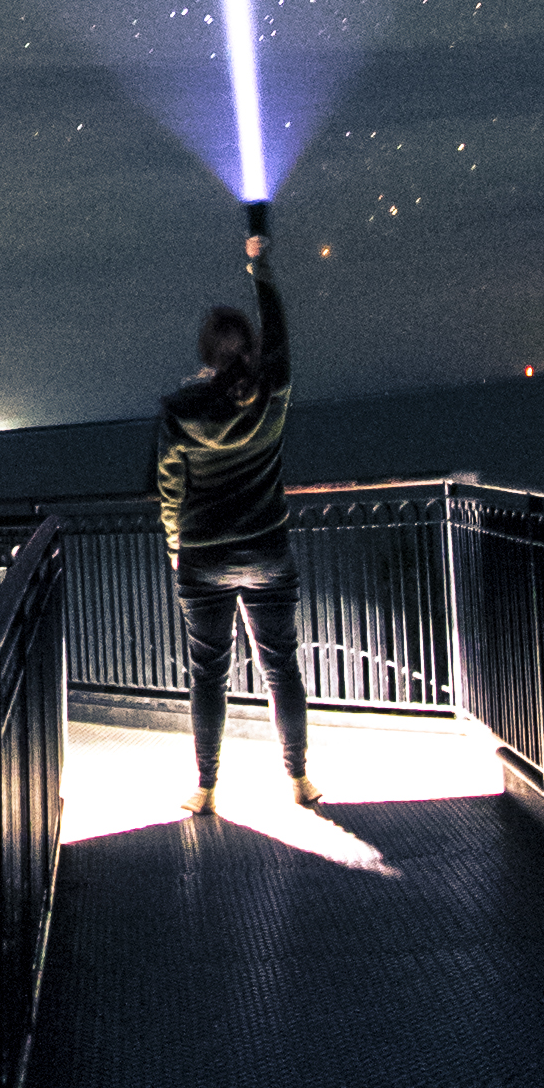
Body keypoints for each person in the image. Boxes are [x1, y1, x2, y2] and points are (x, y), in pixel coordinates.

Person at [154, 200, 314, 820]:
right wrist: (260, 268)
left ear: (204, 353)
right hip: (269, 551)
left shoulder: (179, 410)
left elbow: (170, 491)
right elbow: (279, 337)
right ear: (247, 350)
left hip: (202, 558)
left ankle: (206, 788)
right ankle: (299, 780)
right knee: (282, 668)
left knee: (208, 675)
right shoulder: (274, 390)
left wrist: (176, 546)